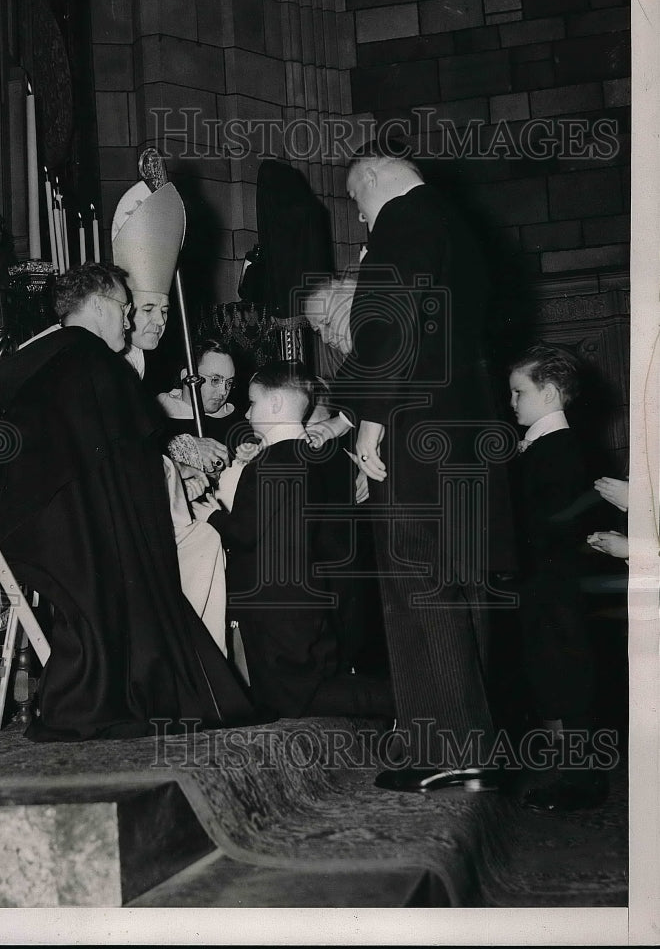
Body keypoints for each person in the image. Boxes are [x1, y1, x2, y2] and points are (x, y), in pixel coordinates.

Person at [304, 140, 516, 792]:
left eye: (355, 202)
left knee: (413, 588)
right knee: (452, 587)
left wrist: (366, 421)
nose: (360, 218)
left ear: (372, 178)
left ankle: (450, 746)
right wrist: (345, 415)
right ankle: (470, 740)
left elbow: (390, 328)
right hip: (463, 436)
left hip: (413, 435)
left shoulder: (402, 219)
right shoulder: (457, 226)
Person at [0, 261, 257, 740]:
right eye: (125, 309)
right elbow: (133, 473)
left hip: (33, 529)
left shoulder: (40, 359)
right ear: (96, 306)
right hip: (83, 540)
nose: (129, 322)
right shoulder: (96, 363)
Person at [193, 360, 394, 719]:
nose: (247, 410)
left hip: (276, 604)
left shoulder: (271, 462)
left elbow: (245, 530)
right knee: (303, 689)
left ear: (274, 405)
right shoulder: (301, 457)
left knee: (296, 694)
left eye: (252, 402)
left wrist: (212, 515)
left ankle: (401, 702)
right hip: (298, 599)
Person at [508, 344, 607, 811]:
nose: (512, 402)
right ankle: (562, 773)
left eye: (518, 392)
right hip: (543, 583)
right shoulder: (543, 445)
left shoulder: (559, 448)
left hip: (556, 584)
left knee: (564, 679)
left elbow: (554, 522)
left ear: (548, 393)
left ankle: (579, 780)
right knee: (547, 676)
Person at [157, 338, 241, 473]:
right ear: (187, 376)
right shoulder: (156, 416)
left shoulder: (238, 423)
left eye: (229, 383)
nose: (224, 391)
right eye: (215, 380)